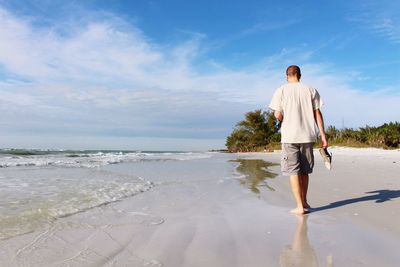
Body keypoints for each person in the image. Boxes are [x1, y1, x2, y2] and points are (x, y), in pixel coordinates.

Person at [269, 65, 328, 214]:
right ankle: (305, 201)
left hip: (289, 137)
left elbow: (277, 114)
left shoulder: (281, 90)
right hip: (308, 135)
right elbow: (317, 114)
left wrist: (283, 117)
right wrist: (323, 135)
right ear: (300, 75)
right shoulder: (310, 89)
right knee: (305, 171)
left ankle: (299, 206)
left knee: (293, 171)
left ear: (286, 76)